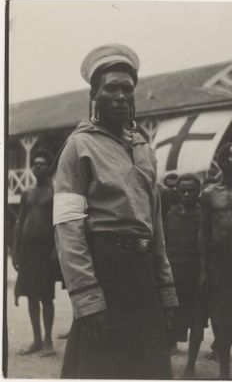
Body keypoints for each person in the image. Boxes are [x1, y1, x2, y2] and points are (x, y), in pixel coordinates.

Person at [53, 44, 178, 379]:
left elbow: (157, 226)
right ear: (94, 94)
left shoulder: (144, 149)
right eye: (111, 88)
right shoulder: (78, 147)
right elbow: (68, 230)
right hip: (105, 276)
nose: (121, 96)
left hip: (143, 277)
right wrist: (87, 298)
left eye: (127, 89)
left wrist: (166, 290)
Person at [199, 143, 232, 379]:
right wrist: (204, 270)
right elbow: (203, 234)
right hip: (219, 262)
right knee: (221, 318)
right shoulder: (209, 194)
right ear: (224, 161)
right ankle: (224, 372)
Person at [12, 148, 56, 357]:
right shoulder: (27, 193)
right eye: (35, 163)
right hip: (28, 252)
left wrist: (56, 251)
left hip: (45, 252)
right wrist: (16, 250)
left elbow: (59, 225)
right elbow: (20, 222)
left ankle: (48, 342)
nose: (38, 166)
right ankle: (37, 340)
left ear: (49, 168)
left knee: (46, 297)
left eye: (42, 164)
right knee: (30, 296)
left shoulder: (56, 192)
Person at [164, 173, 208, 378]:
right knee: (169, 322)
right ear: (177, 192)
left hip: (197, 278)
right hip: (174, 278)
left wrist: (203, 274)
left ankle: (190, 365)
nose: (187, 194)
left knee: (197, 323)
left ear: (198, 192)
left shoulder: (205, 216)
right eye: (183, 191)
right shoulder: (170, 216)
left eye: (191, 191)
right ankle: (165, 366)